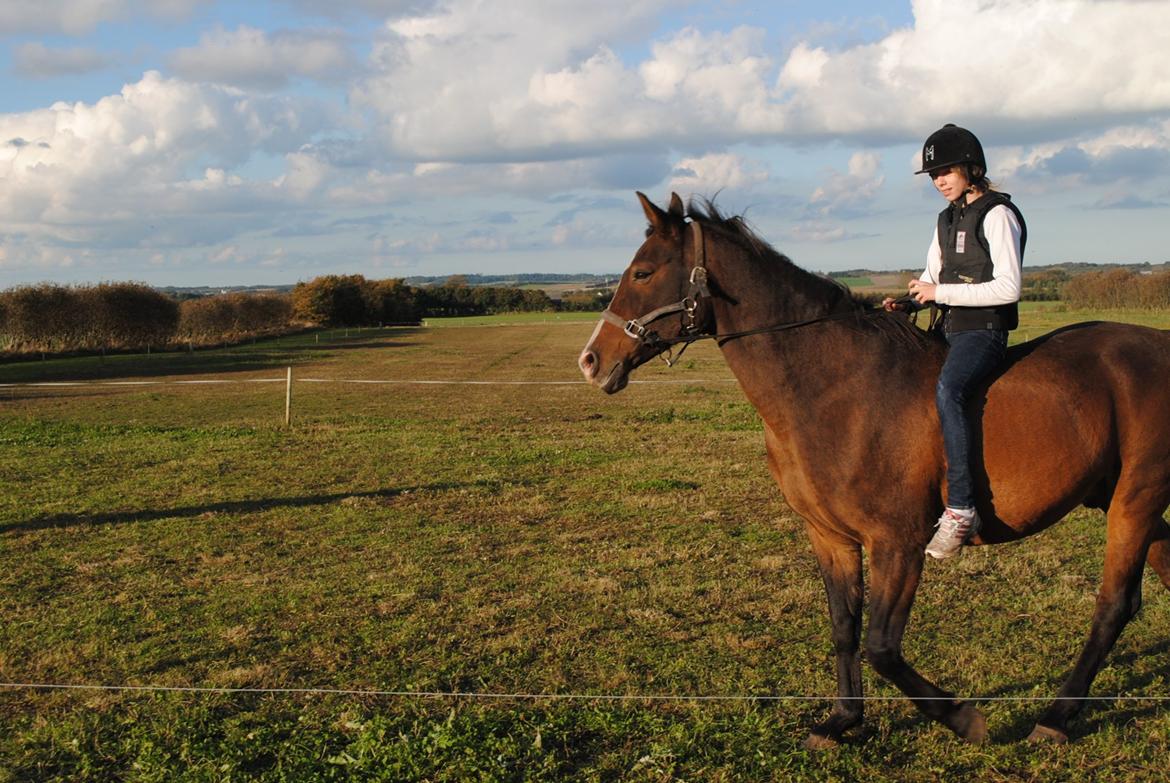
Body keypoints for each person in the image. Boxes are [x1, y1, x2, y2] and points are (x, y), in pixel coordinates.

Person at [883, 123, 1027, 559]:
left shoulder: (998, 214)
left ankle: (962, 509)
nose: (939, 181)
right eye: (933, 175)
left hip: (983, 331)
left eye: (946, 171)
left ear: (971, 168)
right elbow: (932, 277)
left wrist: (938, 294)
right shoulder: (945, 219)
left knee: (949, 389)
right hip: (947, 326)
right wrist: (909, 303)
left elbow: (1009, 287)